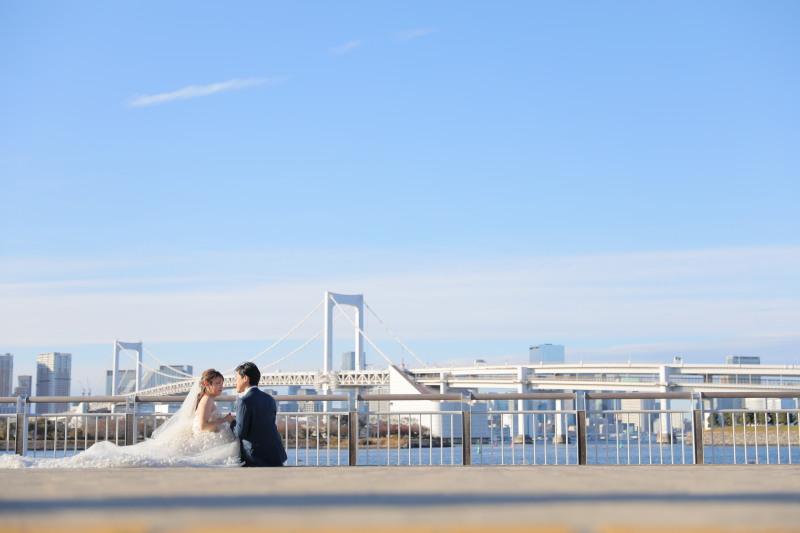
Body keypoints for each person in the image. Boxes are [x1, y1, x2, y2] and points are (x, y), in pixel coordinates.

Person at [0, 369, 241, 468]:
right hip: (202, 439)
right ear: (207, 385)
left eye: (222, 383)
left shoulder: (205, 398)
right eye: (218, 383)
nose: (222, 387)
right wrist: (225, 420)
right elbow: (202, 426)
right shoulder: (208, 400)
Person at [230, 361, 287, 467]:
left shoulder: (243, 401)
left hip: (254, 455)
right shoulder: (269, 398)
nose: (235, 383)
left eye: (236, 379)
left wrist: (231, 422)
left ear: (245, 378)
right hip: (275, 453)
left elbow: (240, 433)